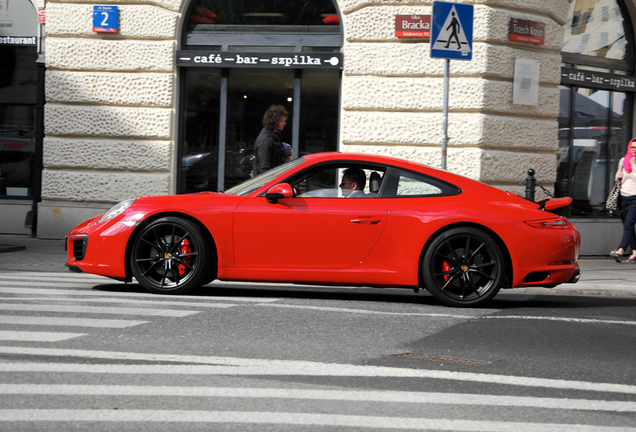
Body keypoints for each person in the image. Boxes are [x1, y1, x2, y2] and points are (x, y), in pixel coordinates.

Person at [610, 138, 636, 263]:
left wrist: (631, 170)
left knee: (629, 224)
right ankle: (635, 252)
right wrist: (619, 176)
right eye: (633, 147)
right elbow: (617, 176)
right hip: (623, 197)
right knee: (627, 226)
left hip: (635, 198)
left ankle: (620, 250)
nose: (635, 150)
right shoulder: (623, 160)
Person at [254, 105, 290, 175]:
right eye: (282, 121)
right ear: (275, 121)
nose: (284, 123)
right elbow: (264, 168)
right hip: (269, 183)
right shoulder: (266, 140)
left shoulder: (273, 137)